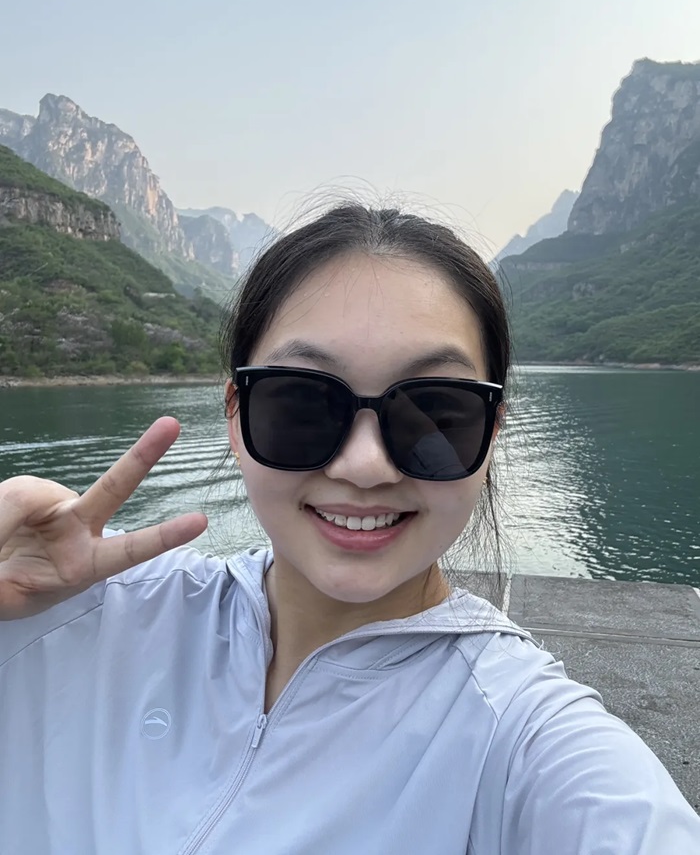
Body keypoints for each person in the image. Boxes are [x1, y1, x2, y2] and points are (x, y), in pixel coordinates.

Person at [0, 202, 698, 855]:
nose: (365, 466)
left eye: (435, 413)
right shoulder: (70, 608)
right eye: (302, 403)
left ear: (491, 435)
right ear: (236, 416)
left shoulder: (521, 738)